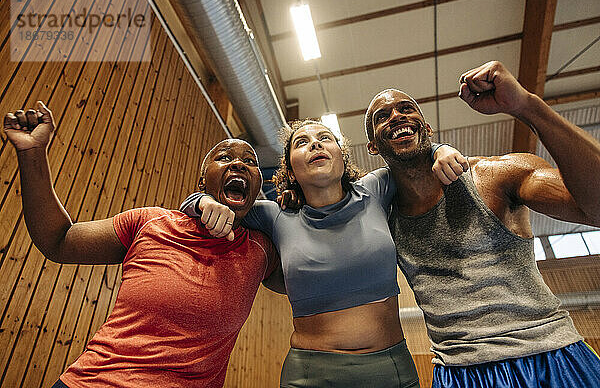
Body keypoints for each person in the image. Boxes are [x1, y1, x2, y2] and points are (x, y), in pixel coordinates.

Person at [3, 102, 281, 387]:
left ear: (258, 187)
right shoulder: (150, 222)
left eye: (250, 161)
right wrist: (32, 153)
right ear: (201, 182)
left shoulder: (260, 251)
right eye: (224, 157)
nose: (238, 164)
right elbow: (58, 240)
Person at [181, 118, 467, 387]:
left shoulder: (376, 188)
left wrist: (440, 149)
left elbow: (413, 162)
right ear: (290, 170)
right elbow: (199, 205)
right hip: (310, 374)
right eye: (301, 142)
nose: (315, 144)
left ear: (342, 156)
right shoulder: (274, 216)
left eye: (325, 138)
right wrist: (203, 201)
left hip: (391, 368)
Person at [364, 60, 600, 388]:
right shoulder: (379, 217)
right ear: (373, 146)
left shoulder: (492, 175)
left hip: (550, 355)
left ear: (426, 128)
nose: (397, 116)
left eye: (406, 108)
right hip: (459, 370)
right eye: (382, 116)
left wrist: (527, 106)